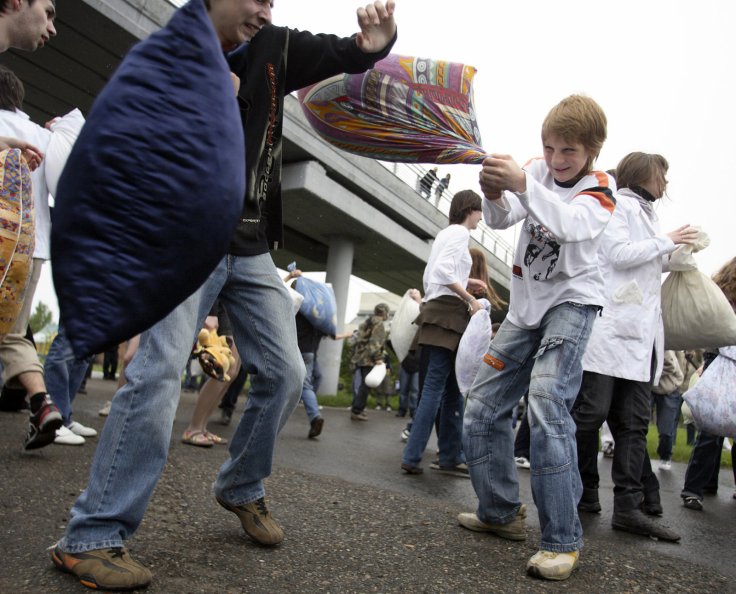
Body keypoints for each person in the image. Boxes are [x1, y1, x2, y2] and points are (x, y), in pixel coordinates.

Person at [50, 1, 397, 591]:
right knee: (158, 373)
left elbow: (342, 52)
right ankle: (92, 536)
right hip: (189, 239)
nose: (264, 9)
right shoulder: (170, 56)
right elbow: (121, 157)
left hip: (252, 243)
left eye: (272, 0)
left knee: (287, 372)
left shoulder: (276, 47)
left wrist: (373, 44)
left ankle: (241, 486)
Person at [458, 95, 615, 581]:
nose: (556, 160)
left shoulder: (601, 189)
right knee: (481, 405)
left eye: (568, 151)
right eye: (549, 148)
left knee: (547, 405)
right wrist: (492, 191)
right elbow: (503, 218)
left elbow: (569, 226)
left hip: (572, 305)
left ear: (592, 150)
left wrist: (523, 183)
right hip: (526, 313)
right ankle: (500, 513)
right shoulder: (536, 170)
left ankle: (562, 540)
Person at [573, 152, 695, 542]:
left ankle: (628, 507)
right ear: (646, 174)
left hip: (638, 341)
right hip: (609, 335)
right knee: (590, 416)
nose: (666, 184)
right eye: (663, 175)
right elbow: (618, 255)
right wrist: (666, 241)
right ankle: (584, 491)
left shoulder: (647, 214)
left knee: (633, 425)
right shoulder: (617, 205)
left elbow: (644, 262)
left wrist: (675, 255)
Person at [0, 50, 62, 450]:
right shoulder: (45, 137)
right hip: (32, 248)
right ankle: (41, 402)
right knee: (12, 331)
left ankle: (38, 402)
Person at [401, 190, 484, 476]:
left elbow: (432, 275)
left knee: (449, 391)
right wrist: (470, 298)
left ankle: (450, 455)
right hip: (448, 316)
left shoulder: (445, 233)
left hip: (437, 313)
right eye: (480, 211)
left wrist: (467, 280)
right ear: (470, 209)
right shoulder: (461, 234)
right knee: (436, 390)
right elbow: (441, 272)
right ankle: (412, 456)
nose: (481, 217)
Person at [681, 257, 736, 511]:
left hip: (717, 360)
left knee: (713, 428)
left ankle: (700, 487)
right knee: (713, 428)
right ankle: (694, 488)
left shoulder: (719, 292)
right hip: (720, 361)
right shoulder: (722, 296)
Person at [350, 302, 390, 420]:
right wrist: (378, 357)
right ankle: (357, 410)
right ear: (384, 312)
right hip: (369, 358)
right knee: (365, 385)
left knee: (362, 383)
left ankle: (358, 408)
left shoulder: (365, 322)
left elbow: (358, 339)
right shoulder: (379, 323)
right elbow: (375, 342)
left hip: (359, 357)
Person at [651, 350, 684, 470]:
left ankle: (665, 456)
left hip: (669, 389)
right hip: (649, 387)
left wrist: (649, 371)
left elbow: (670, 365)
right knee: (637, 425)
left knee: (666, 430)